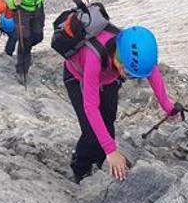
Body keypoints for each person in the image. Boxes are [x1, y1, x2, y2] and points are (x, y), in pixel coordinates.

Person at [63, 25, 181, 183]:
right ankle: (80, 168)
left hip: (109, 76)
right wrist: (111, 150)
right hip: (78, 77)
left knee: (108, 119)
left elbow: (152, 72)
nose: (131, 78)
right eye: (130, 74)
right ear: (119, 60)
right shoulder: (94, 58)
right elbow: (91, 107)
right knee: (91, 132)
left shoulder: (131, 50)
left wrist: (168, 106)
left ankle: (101, 162)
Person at [6, 0, 77, 82]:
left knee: (38, 36)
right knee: (25, 39)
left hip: (38, 8)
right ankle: (22, 70)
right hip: (23, 11)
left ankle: (25, 51)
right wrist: (15, 2)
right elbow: (10, 0)